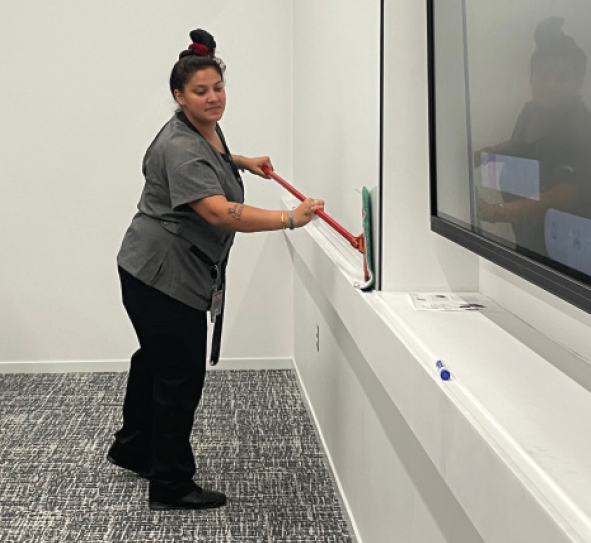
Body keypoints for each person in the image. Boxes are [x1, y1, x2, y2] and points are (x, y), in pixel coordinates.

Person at [107, 28, 324, 511]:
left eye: (217, 88)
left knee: (155, 361)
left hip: (150, 268)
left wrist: (241, 162)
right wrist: (290, 218)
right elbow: (220, 213)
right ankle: (170, 484)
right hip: (161, 278)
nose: (212, 98)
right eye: (200, 92)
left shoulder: (205, 128)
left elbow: (216, 158)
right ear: (178, 96)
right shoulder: (179, 147)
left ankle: (133, 447)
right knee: (178, 377)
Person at [477, 16, 591, 257]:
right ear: (531, 78)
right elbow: (519, 144)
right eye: (543, 75)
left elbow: (567, 192)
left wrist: (503, 212)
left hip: (566, 243)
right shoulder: (531, 110)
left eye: (562, 77)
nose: (551, 84)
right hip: (529, 233)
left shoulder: (580, 124)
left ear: (579, 82)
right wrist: (482, 154)